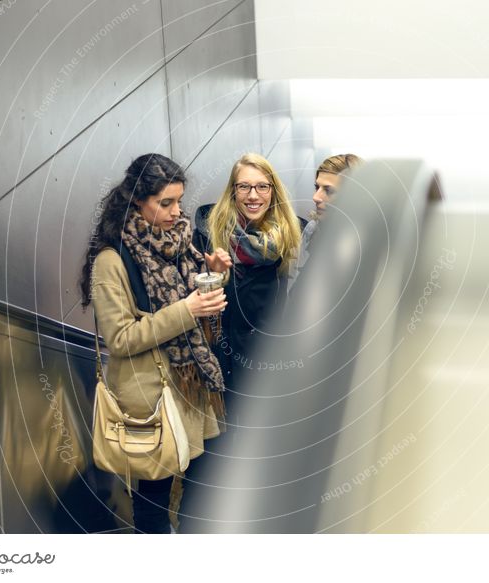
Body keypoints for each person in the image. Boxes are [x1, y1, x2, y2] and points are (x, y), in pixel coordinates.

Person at [79, 153, 232, 533]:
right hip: (153, 398)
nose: (176, 211)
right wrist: (187, 309)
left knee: (203, 489)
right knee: (153, 503)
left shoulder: (178, 242)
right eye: (165, 203)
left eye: (179, 201)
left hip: (192, 387)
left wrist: (213, 275)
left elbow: (195, 302)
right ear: (137, 200)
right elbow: (121, 337)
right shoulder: (111, 260)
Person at [192, 153, 301, 414]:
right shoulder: (207, 236)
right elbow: (192, 305)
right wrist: (214, 276)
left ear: (273, 191)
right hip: (219, 364)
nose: (253, 196)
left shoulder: (293, 238)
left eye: (262, 186)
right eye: (244, 187)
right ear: (233, 191)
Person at [289, 153, 363, 291]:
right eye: (317, 188)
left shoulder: (369, 246)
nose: (315, 197)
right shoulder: (312, 230)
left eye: (328, 191)